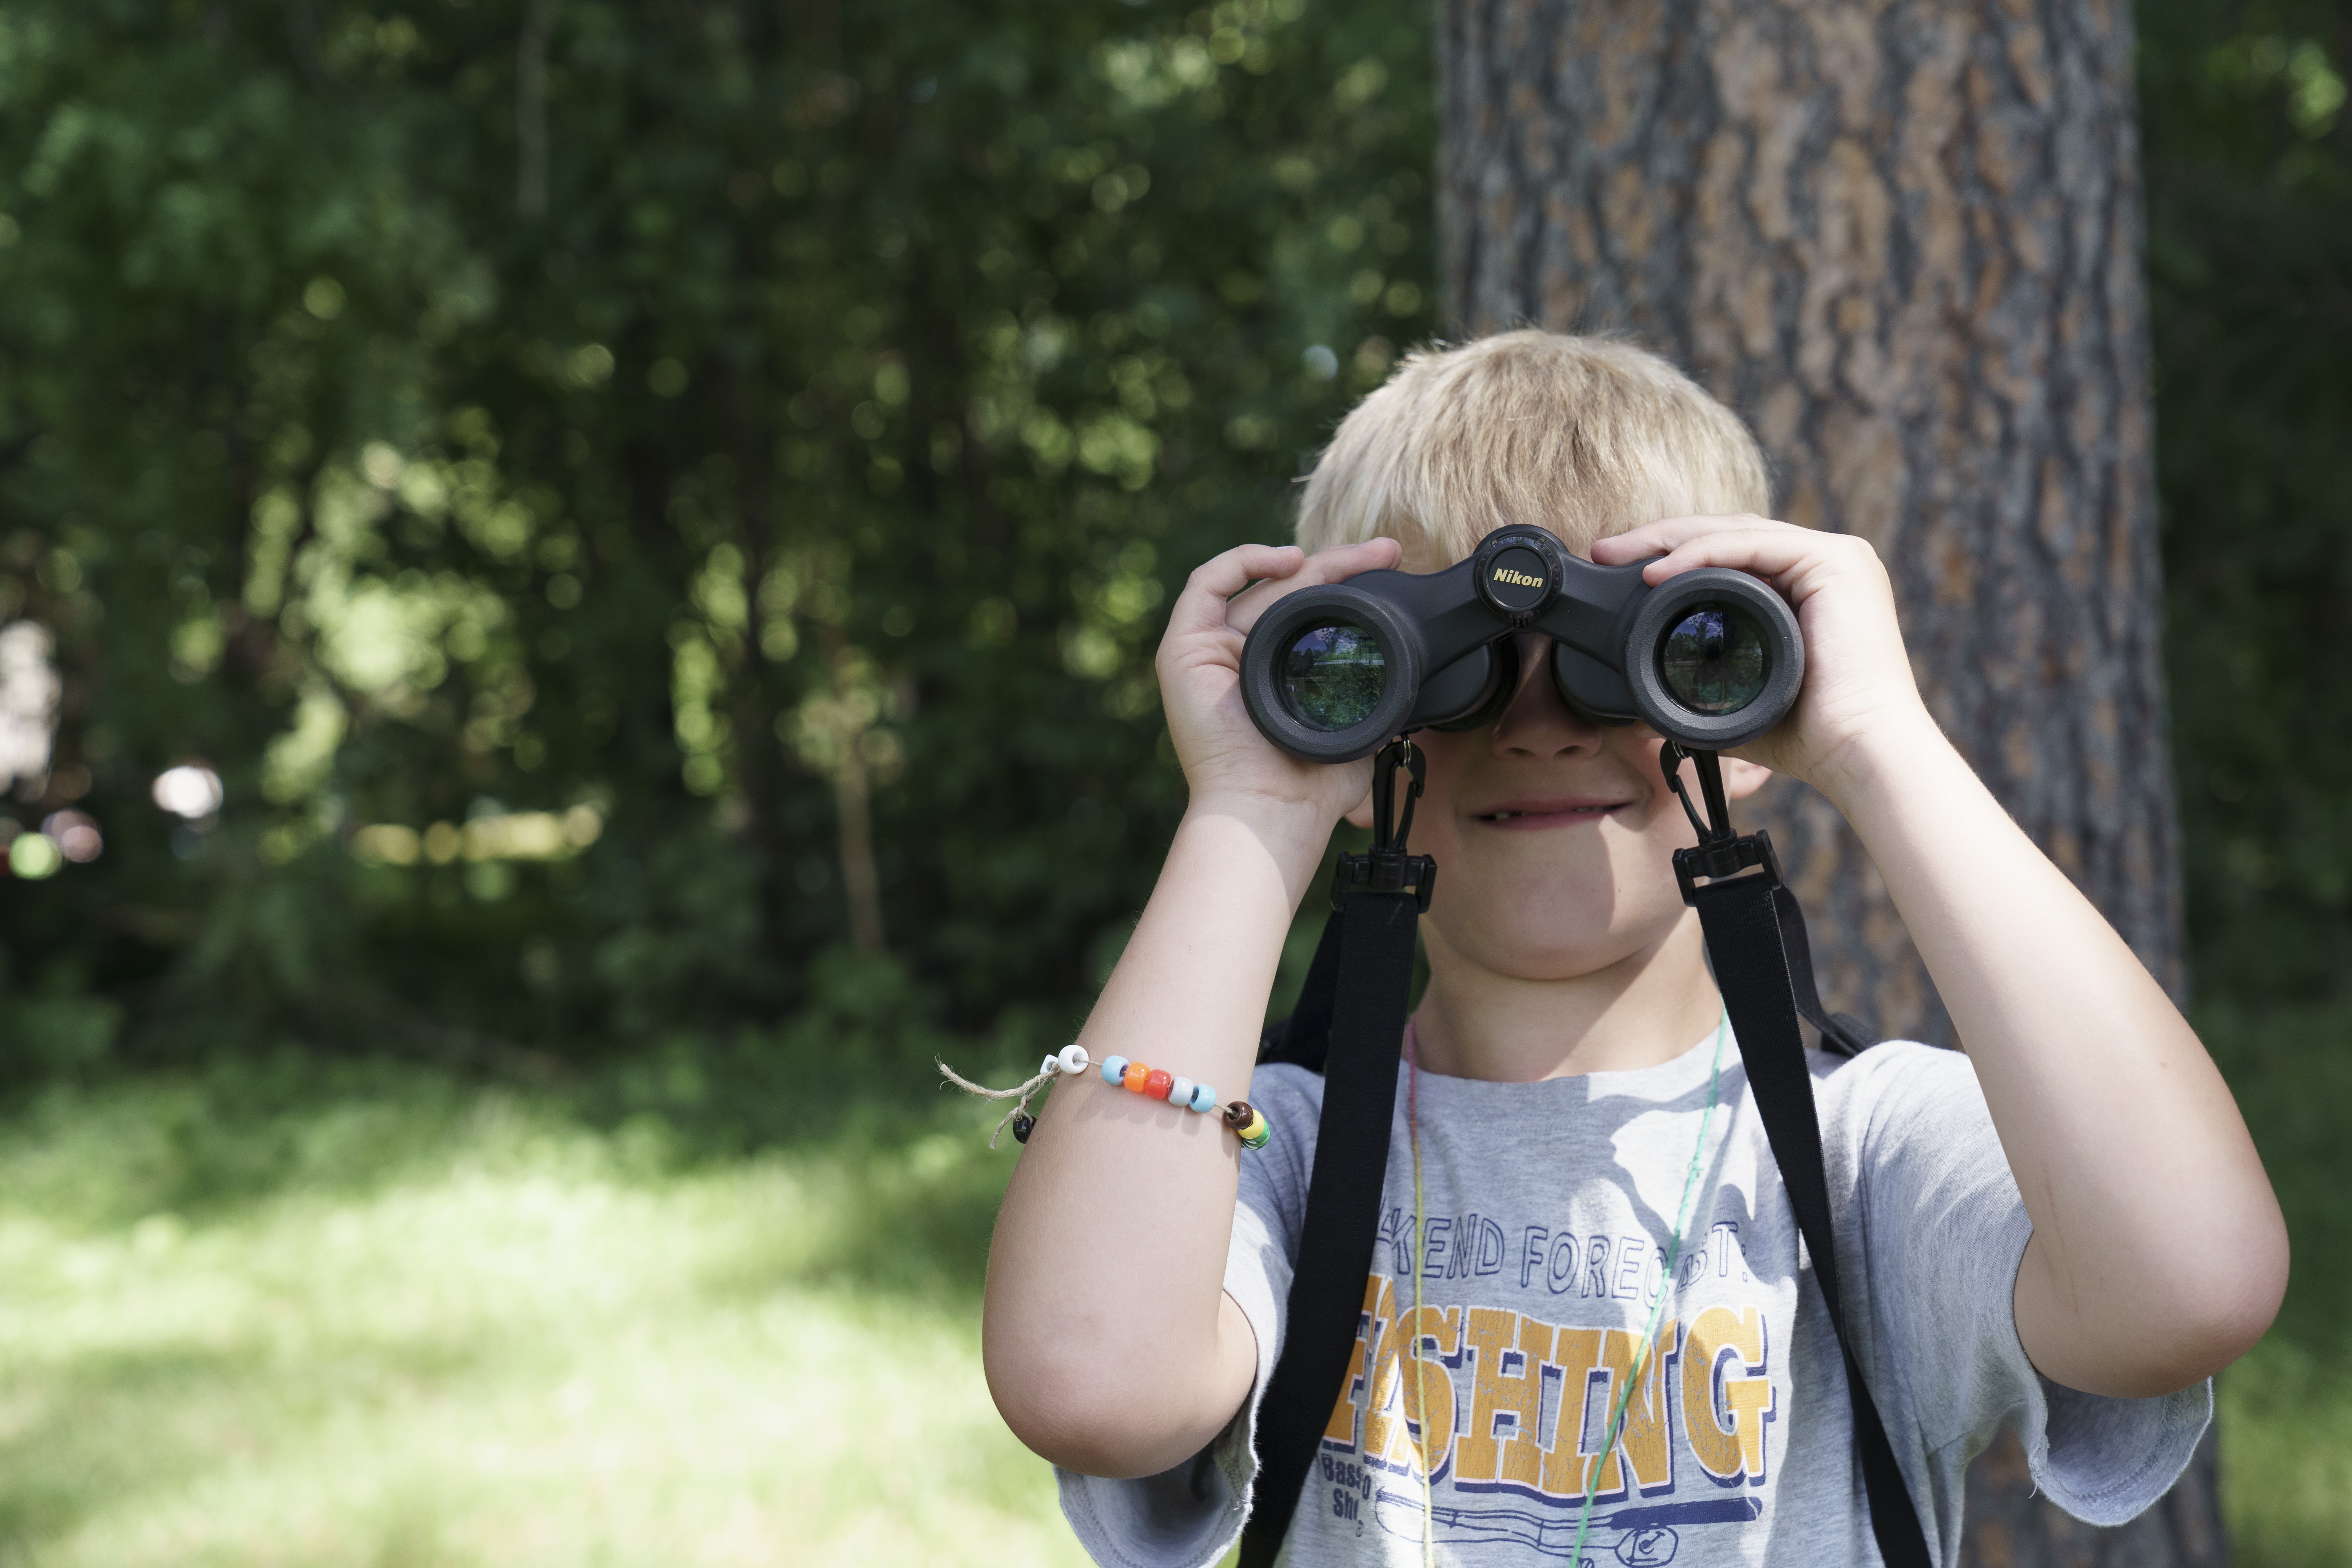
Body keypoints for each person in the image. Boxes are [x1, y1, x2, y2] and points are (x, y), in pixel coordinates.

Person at [980, 330, 2286, 1566]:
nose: (1540, 726)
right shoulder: (1268, 1158)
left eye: (1657, 657)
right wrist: (1250, 809)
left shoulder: (1867, 1157)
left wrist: (1881, 741)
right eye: (1453, 675)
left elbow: (2188, 1287)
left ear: (1758, 708)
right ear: (1352, 712)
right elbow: (1091, 1378)